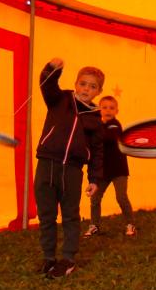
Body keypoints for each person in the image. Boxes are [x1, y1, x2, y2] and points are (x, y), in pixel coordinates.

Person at [34, 58, 103, 278]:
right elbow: (46, 84)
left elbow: (97, 152)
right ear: (75, 84)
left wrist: (94, 179)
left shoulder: (95, 118)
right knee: (46, 215)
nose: (86, 89)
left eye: (92, 86)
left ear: (99, 91)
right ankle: (48, 258)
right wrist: (52, 69)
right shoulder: (60, 99)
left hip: (73, 171)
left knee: (70, 216)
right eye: (83, 84)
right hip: (47, 165)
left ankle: (68, 259)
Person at [84, 95, 136, 238]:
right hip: (104, 171)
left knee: (121, 197)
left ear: (116, 111)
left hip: (119, 170)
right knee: (95, 198)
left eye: (111, 108)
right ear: (99, 109)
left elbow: (109, 137)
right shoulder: (98, 126)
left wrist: (94, 131)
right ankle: (94, 225)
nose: (108, 110)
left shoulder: (114, 125)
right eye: (104, 107)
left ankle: (130, 224)